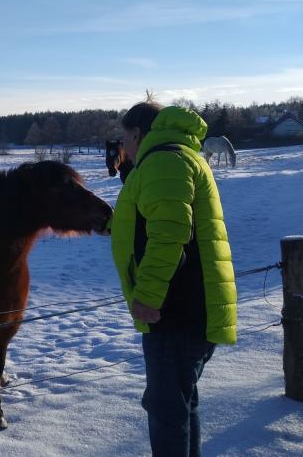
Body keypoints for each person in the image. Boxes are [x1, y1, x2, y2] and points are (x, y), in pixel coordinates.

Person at [110, 102, 237, 456]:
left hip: (175, 312)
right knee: (180, 404)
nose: (124, 147)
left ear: (137, 133)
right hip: (188, 307)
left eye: (124, 138)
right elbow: (157, 220)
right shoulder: (177, 156)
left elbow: (169, 235)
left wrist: (148, 295)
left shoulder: (164, 161)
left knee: (167, 411)